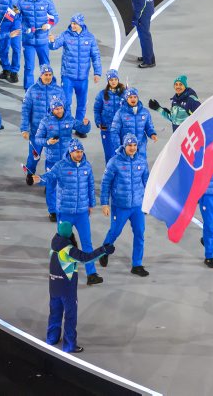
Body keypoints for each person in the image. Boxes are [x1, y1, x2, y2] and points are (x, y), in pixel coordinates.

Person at [33, 140, 103, 286]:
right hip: (65, 212)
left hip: (82, 213)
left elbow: (90, 186)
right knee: (63, 245)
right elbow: (49, 176)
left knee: (87, 243)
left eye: (81, 152)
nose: (79, 154)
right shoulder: (60, 166)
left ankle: (92, 273)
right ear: (71, 152)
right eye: (76, 152)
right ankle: (62, 272)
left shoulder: (87, 166)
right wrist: (39, 179)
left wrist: (91, 204)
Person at [46, 221, 115, 354]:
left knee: (55, 313)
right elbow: (85, 258)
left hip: (53, 287)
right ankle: (69, 345)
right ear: (70, 233)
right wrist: (104, 250)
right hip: (67, 289)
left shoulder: (53, 248)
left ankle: (51, 338)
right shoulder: (67, 250)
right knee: (70, 316)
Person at [99, 135, 150, 277]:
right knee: (115, 232)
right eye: (130, 145)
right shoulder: (114, 162)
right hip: (120, 205)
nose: (132, 148)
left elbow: (147, 182)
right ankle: (104, 251)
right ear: (124, 146)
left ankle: (137, 264)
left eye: (134, 145)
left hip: (137, 206)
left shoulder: (142, 160)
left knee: (140, 234)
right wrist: (104, 203)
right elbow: (105, 184)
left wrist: (148, 202)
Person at [35, 98, 90, 221]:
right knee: (51, 185)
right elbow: (38, 139)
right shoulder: (45, 122)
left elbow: (83, 129)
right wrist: (47, 142)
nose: (59, 111)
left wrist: (86, 124)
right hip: (52, 159)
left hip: (67, 160)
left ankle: (68, 208)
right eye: (56, 109)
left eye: (60, 108)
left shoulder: (69, 119)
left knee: (69, 185)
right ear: (52, 109)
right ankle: (53, 211)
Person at [48, 13, 101, 131]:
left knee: (82, 104)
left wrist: (97, 72)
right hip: (68, 76)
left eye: (75, 23)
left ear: (81, 24)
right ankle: (66, 126)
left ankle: (79, 127)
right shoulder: (65, 35)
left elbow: (95, 55)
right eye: (72, 23)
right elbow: (54, 46)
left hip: (83, 77)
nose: (72, 25)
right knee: (66, 103)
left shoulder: (90, 38)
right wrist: (51, 41)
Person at [20, 64, 63, 184]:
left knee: (52, 158)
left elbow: (66, 110)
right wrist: (24, 129)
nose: (48, 77)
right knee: (34, 156)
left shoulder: (59, 91)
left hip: (53, 132)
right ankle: (30, 174)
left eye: (50, 75)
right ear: (41, 75)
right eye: (46, 75)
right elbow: (25, 110)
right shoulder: (32, 90)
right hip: (36, 132)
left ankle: (48, 180)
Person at [18, 0, 59, 89]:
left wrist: (49, 25)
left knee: (45, 67)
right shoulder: (22, 1)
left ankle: (48, 88)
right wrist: (23, 26)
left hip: (42, 41)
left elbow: (55, 17)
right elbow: (16, 17)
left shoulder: (46, 1)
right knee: (29, 68)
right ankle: (28, 92)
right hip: (28, 41)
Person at [109, 88, 158, 158]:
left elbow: (149, 126)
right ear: (126, 99)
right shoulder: (120, 113)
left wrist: (152, 134)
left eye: (135, 97)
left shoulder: (145, 112)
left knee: (140, 165)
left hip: (140, 146)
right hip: (126, 147)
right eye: (130, 97)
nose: (133, 99)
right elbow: (114, 131)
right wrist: (118, 147)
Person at [93, 70, 126, 161]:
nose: (113, 81)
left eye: (115, 79)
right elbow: (97, 110)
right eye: (111, 80)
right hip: (107, 129)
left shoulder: (124, 94)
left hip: (121, 129)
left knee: (122, 154)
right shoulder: (102, 94)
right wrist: (99, 122)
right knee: (109, 154)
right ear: (108, 81)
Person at [131, 0, 156, 69]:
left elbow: (141, 3)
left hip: (144, 11)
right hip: (149, 7)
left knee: (144, 36)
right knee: (145, 35)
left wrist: (136, 17)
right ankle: (148, 56)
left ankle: (149, 61)